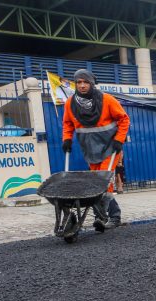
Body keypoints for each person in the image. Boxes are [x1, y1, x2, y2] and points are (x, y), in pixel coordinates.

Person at [62, 69, 129, 230]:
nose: (82, 85)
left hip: (109, 147)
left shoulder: (107, 100)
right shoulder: (70, 103)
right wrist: (67, 139)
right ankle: (108, 215)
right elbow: (68, 124)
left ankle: (110, 217)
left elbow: (124, 119)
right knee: (95, 184)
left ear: (92, 84)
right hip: (90, 149)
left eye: (86, 82)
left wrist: (119, 139)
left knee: (103, 182)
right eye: (79, 82)